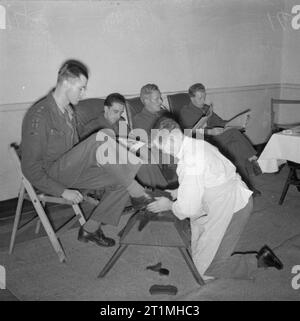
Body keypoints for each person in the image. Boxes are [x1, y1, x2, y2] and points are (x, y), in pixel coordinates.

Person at [21, 60, 160, 248]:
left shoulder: (68, 111)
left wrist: (104, 157)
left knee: (120, 177)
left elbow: (75, 149)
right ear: (66, 84)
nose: (84, 93)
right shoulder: (39, 116)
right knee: (103, 136)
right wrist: (63, 192)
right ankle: (139, 193)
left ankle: (89, 230)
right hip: (53, 174)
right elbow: (30, 169)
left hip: (71, 169)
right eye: (81, 88)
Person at [147, 118, 283, 280]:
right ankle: (210, 256)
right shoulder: (196, 144)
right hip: (226, 199)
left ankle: (259, 262)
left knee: (206, 270)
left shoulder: (190, 160)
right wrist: (179, 191)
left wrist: (169, 205)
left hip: (233, 208)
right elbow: (206, 178)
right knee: (199, 248)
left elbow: (188, 208)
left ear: (173, 136)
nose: (165, 153)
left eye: (162, 147)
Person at [178, 83, 262, 196]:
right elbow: (188, 134)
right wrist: (209, 131)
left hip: (216, 139)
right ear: (192, 98)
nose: (203, 100)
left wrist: (237, 122)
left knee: (235, 149)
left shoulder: (207, 108)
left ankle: (246, 187)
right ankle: (253, 158)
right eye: (200, 98)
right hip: (202, 143)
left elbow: (221, 122)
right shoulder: (185, 112)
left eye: (204, 96)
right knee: (233, 133)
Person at [132, 84, 178, 186]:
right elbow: (148, 145)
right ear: (146, 101)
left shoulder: (163, 114)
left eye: (160, 98)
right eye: (156, 99)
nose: (161, 101)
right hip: (163, 161)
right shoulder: (139, 119)